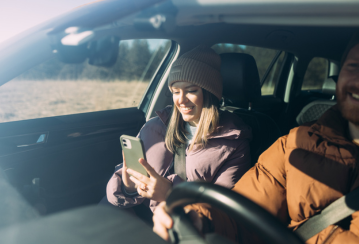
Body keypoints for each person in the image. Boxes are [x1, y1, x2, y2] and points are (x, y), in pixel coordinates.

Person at [152, 34, 359, 243]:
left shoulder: (236, 139)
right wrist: (198, 219)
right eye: (354, 66)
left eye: (191, 90)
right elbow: (241, 209)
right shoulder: (295, 144)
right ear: (340, 75)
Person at [106, 46, 252, 212]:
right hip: (140, 217)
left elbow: (221, 213)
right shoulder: (153, 127)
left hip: (184, 229)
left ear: (210, 93)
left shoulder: (234, 144)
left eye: (191, 91)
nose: (181, 100)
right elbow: (118, 193)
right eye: (176, 91)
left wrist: (170, 194)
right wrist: (128, 188)